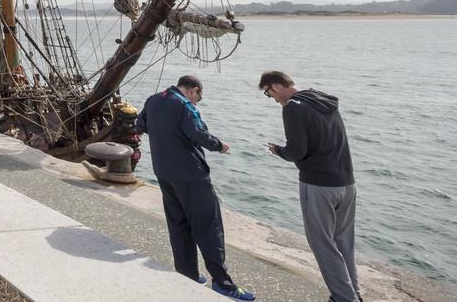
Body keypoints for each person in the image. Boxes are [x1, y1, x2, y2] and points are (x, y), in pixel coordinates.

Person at [136, 76, 255, 300]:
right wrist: (220, 145)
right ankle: (223, 284)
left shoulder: (153, 100)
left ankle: (187, 275)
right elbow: (198, 133)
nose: (198, 101)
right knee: (209, 227)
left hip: (163, 172)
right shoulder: (185, 105)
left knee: (178, 225)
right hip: (191, 175)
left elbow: (140, 125)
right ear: (194, 90)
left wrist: (167, 138)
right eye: (199, 97)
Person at [260, 70, 359, 302]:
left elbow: (297, 151)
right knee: (344, 242)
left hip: (318, 184)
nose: (273, 100)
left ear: (275, 86)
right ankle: (354, 293)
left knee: (322, 243)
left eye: (268, 94)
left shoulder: (293, 107)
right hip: (346, 182)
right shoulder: (323, 99)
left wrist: (278, 151)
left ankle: (344, 298)